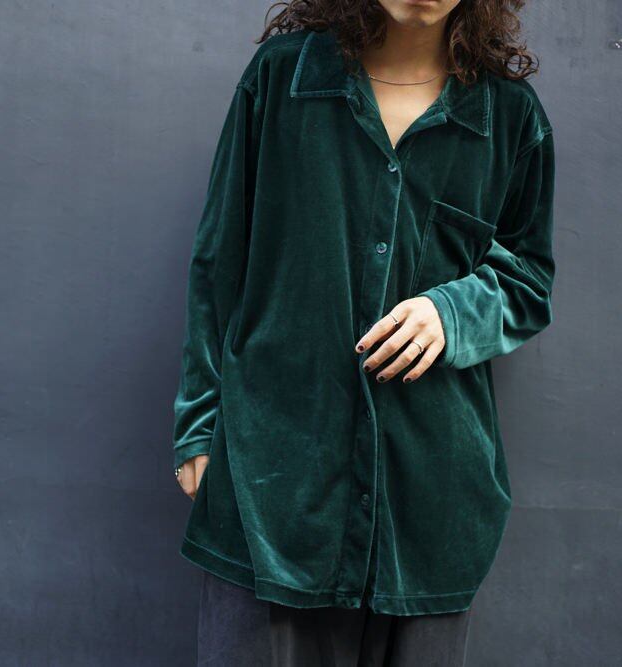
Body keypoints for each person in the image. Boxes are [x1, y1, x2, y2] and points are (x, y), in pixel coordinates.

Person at [171, 0, 556, 663]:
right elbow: (218, 260)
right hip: (272, 486)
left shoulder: (510, 117)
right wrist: (199, 424)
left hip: (427, 503)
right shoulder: (282, 80)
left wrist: (451, 311)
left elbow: (528, 279)